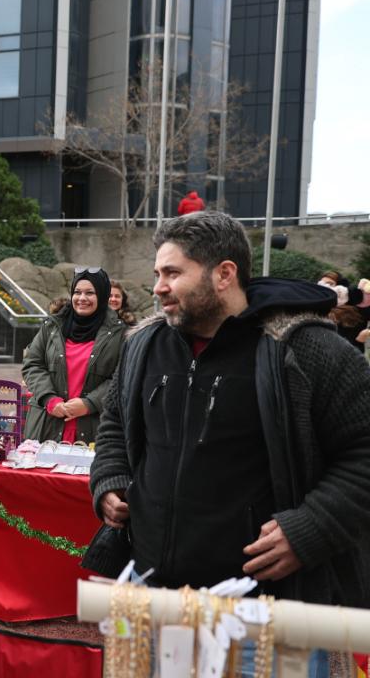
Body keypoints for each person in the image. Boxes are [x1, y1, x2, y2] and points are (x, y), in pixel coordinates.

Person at [90, 211, 370, 605]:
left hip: (264, 605)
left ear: (224, 274)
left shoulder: (305, 350)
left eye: (172, 273)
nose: (158, 287)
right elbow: (115, 425)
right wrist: (109, 479)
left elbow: (362, 452)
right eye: (157, 274)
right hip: (149, 589)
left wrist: (312, 528)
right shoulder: (143, 346)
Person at [22, 267, 125, 444]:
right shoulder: (52, 326)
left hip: (94, 428)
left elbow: (122, 376)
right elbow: (32, 364)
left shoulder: (119, 334)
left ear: (102, 296)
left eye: (90, 293)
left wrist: (90, 403)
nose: (82, 298)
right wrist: (49, 399)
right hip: (46, 425)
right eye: (77, 292)